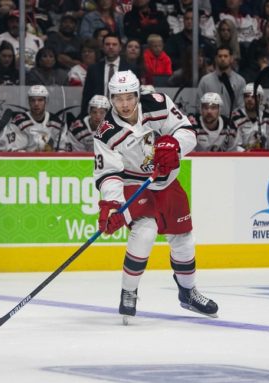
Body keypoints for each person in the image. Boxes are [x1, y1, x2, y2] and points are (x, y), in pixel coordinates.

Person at [94, 70, 218, 321]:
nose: (125, 104)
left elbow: (186, 132)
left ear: (138, 95)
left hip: (167, 181)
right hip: (134, 183)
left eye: (129, 97)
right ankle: (128, 292)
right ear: (111, 99)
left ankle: (188, 292)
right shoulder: (105, 131)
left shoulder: (158, 104)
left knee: (183, 238)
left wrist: (174, 146)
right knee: (145, 232)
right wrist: (112, 206)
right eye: (118, 99)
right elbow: (109, 174)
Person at [81, 33, 137, 115]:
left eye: (114, 44)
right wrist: (83, 116)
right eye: (107, 44)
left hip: (123, 114)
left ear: (120, 47)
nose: (111, 47)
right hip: (99, 114)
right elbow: (87, 95)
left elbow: (135, 96)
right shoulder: (93, 69)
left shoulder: (131, 69)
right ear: (102, 47)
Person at [232, 83, 269, 152]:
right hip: (240, 160)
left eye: (253, 96)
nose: (249, 99)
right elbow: (233, 147)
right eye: (246, 96)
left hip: (265, 160)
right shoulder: (234, 118)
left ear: (261, 99)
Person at [197, 46, 246, 118]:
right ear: (216, 59)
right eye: (220, 56)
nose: (222, 59)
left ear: (231, 58)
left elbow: (242, 107)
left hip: (232, 124)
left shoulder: (240, 81)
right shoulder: (205, 81)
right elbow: (199, 106)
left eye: (226, 56)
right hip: (210, 125)